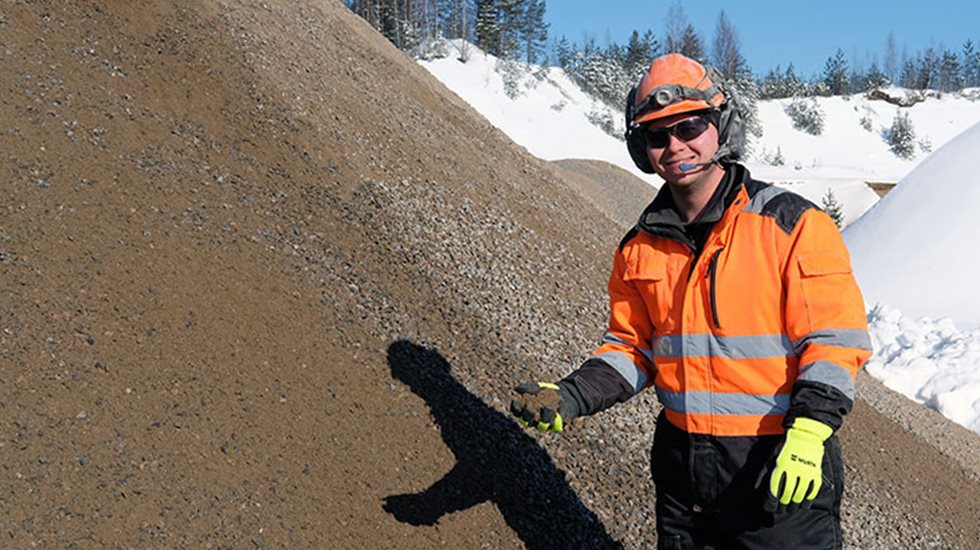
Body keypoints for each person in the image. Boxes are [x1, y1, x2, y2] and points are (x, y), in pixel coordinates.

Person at [510, 53, 872, 549]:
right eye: (658, 135)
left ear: (721, 125)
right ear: (642, 148)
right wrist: (573, 394)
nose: (676, 145)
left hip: (778, 461)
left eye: (690, 127)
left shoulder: (794, 226)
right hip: (684, 469)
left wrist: (810, 433)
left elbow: (833, 341)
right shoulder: (638, 248)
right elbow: (633, 350)